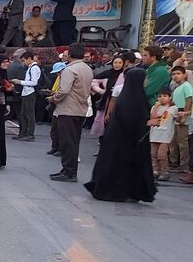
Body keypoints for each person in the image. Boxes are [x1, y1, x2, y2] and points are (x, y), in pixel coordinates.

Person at [83, 66, 156, 202]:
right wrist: (148, 123)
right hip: (128, 142)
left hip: (119, 141)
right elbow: (134, 121)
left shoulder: (127, 97)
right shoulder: (135, 100)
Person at [48, 44, 94, 182]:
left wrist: (53, 98)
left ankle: (69, 171)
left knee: (67, 142)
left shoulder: (70, 70)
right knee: (74, 141)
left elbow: (63, 90)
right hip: (80, 108)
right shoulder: (87, 69)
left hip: (68, 109)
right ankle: (69, 169)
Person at [149, 89, 177, 181]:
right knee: (153, 154)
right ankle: (155, 170)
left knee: (162, 154)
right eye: (160, 96)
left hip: (165, 135)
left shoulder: (172, 108)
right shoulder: (154, 107)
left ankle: (165, 171)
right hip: (154, 134)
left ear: (169, 98)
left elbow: (176, 119)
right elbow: (152, 118)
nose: (162, 98)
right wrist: (156, 106)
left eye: (165, 96)